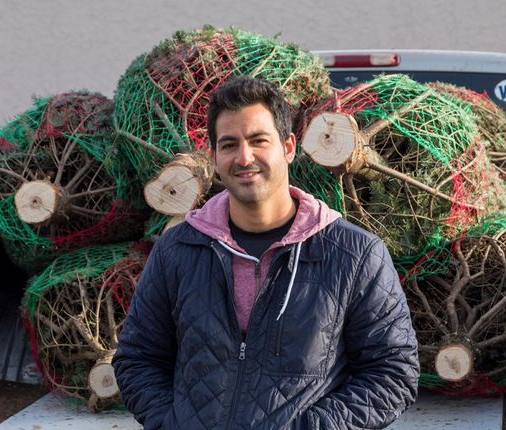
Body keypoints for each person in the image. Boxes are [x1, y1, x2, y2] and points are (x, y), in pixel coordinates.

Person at [113, 76, 419, 429]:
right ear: (213, 156)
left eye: (258, 141)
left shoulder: (355, 254)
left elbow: (392, 372)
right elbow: (138, 359)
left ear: (288, 147)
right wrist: (171, 423)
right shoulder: (178, 249)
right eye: (229, 145)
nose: (244, 158)